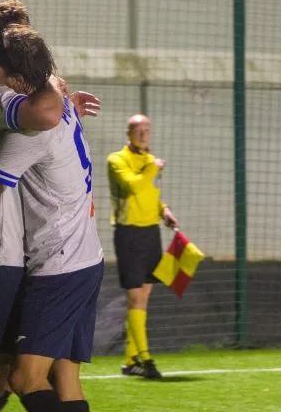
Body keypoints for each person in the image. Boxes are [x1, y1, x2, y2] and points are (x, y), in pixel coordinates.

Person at [0, 0, 99, 412]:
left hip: (43, 253)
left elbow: (43, 111)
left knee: (27, 374)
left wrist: (56, 88)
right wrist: (57, 91)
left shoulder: (30, 111)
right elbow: (45, 114)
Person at [106, 114, 178, 379]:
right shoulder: (117, 160)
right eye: (139, 129)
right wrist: (152, 168)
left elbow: (151, 193)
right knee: (135, 297)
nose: (144, 134)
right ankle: (146, 359)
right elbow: (134, 186)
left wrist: (165, 211)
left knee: (144, 298)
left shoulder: (150, 161)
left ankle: (129, 361)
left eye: (147, 129)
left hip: (151, 234)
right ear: (129, 132)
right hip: (129, 234)